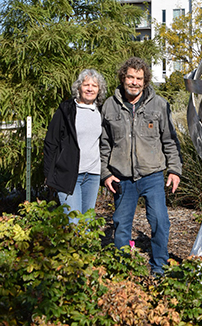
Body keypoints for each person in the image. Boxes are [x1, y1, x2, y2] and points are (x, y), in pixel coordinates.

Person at [100, 57, 182, 274]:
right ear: (123, 78)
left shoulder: (160, 105)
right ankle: (122, 270)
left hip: (152, 175)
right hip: (122, 178)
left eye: (139, 78)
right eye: (130, 77)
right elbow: (103, 144)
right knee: (120, 226)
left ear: (145, 81)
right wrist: (105, 174)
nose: (134, 82)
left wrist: (174, 170)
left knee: (160, 223)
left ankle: (159, 269)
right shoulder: (109, 105)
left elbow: (170, 140)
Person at [44, 68, 106, 222]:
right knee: (73, 223)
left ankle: (86, 247)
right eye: (86, 85)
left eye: (94, 86)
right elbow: (51, 142)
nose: (90, 89)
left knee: (87, 222)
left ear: (99, 90)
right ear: (79, 87)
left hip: (92, 175)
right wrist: (49, 174)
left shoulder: (101, 111)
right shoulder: (66, 110)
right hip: (69, 175)